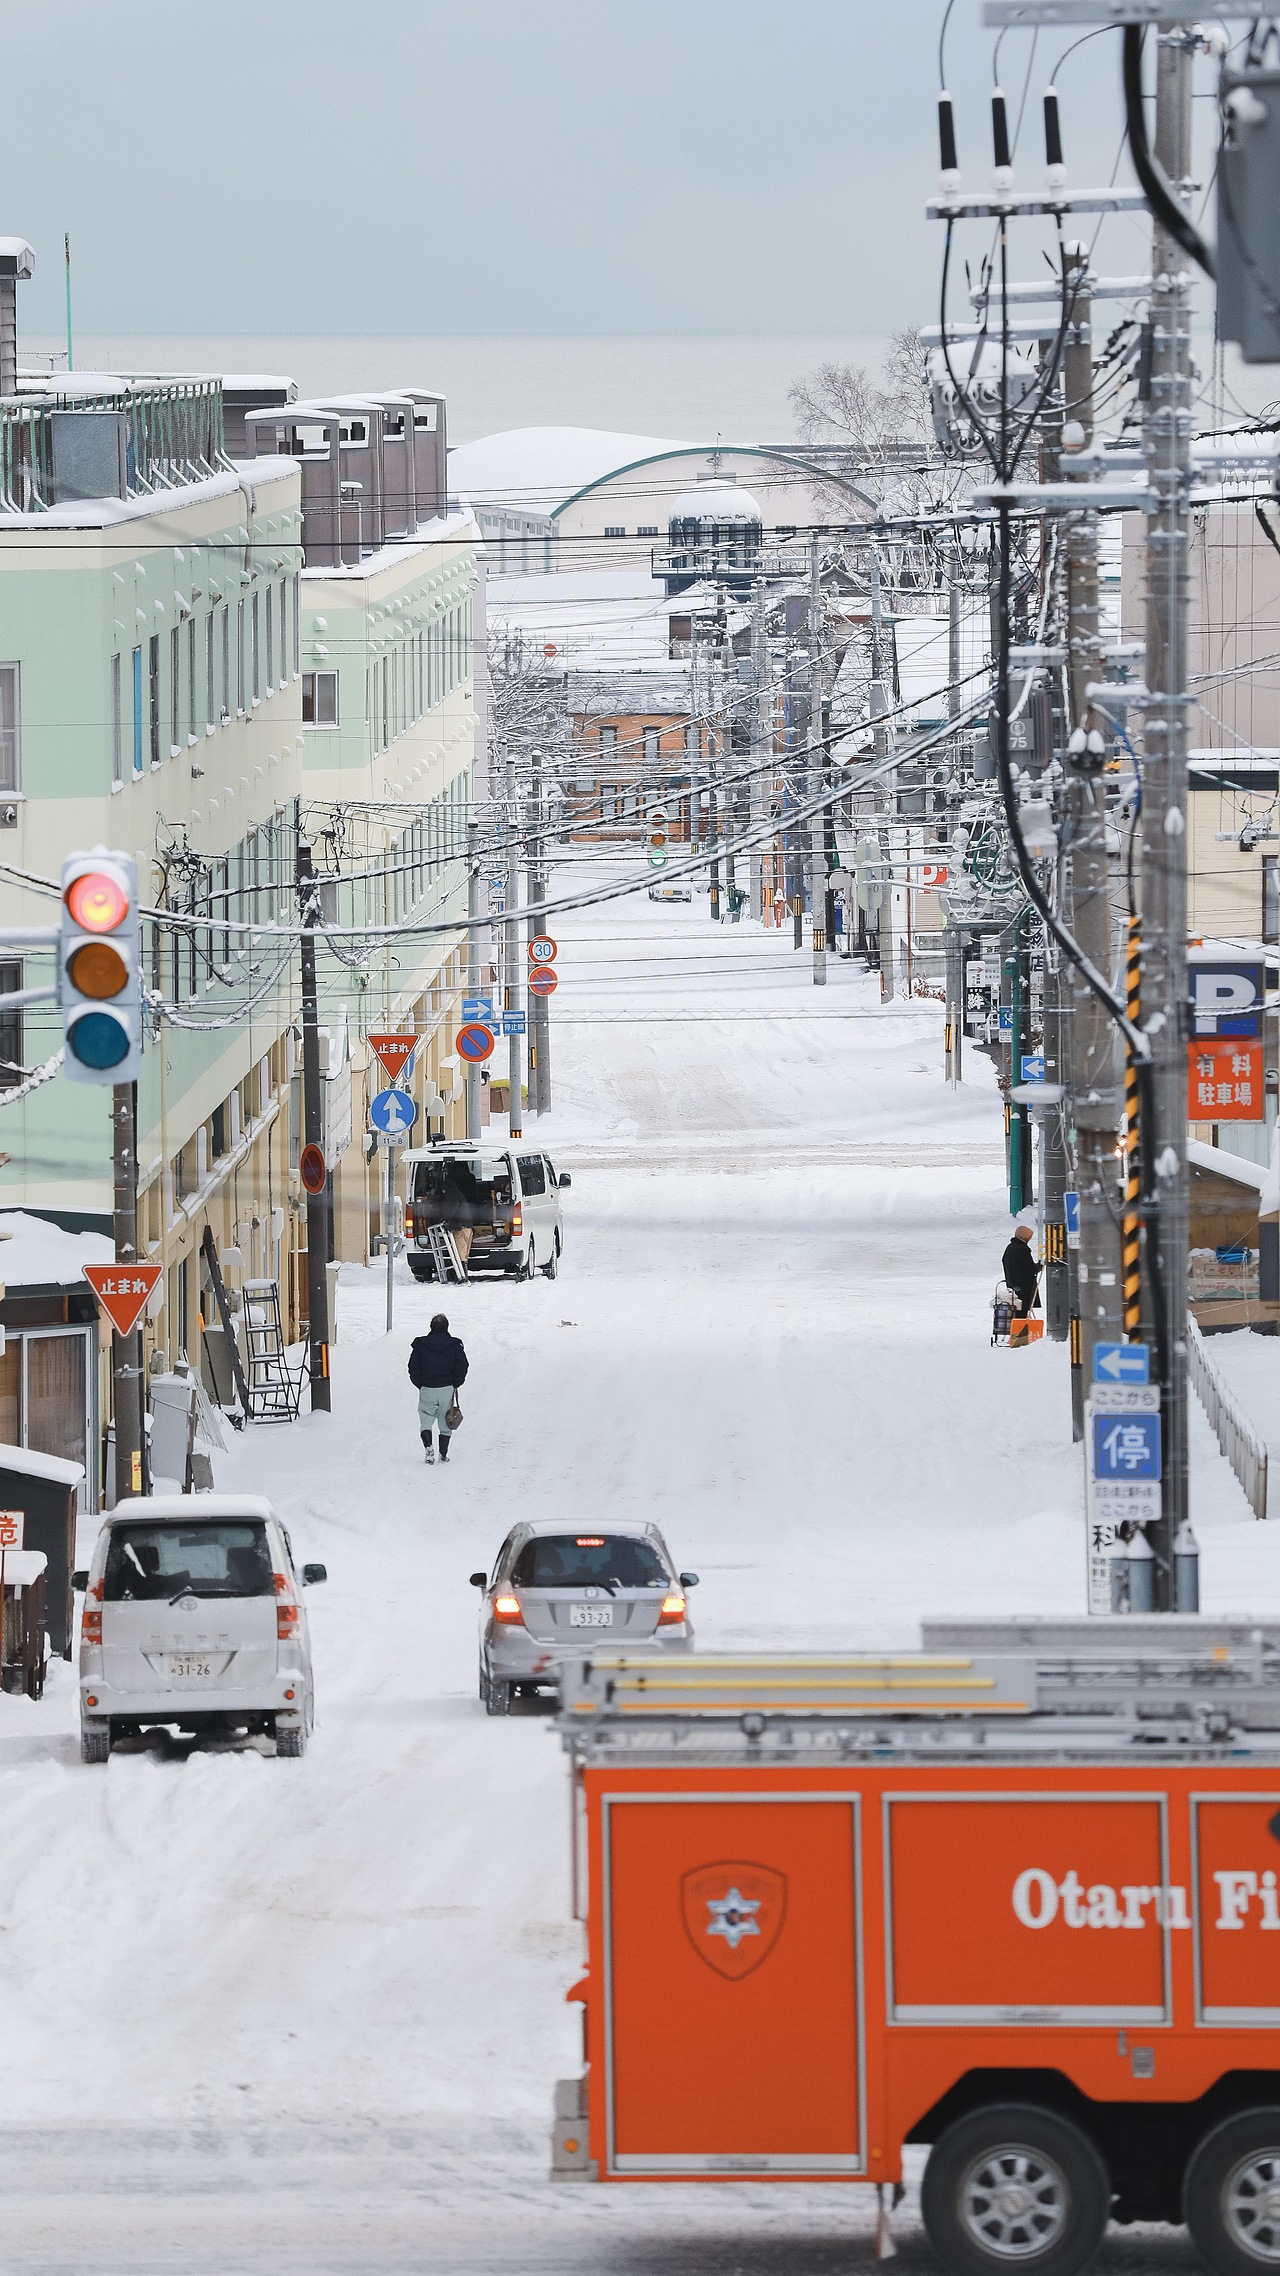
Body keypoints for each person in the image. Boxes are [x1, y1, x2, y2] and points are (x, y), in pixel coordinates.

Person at [408, 1312, 469, 1464]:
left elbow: (413, 1366)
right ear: (447, 1327)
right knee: (446, 1419)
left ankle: (429, 1448)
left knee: (426, 1419)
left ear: (431, 1327)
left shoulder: (420, 1344)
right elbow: (462, 1365)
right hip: (447, 1388)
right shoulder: (455, 1344)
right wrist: (456, 1383)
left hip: (427, 1387)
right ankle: (443, 1454)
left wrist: (419, 1384)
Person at [1001, 1221, 1041, 1316]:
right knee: (1022, 1311)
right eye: (1028, 1238)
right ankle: (1021, 1329)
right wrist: (1038, 1266)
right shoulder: (1022, 1249)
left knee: (1016, 1310)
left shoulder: (1010, 1248)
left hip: (1013, 1285)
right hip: (1024, 1287)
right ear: (1023, 1238)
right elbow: (1030, 1268)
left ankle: (1017, 1328)